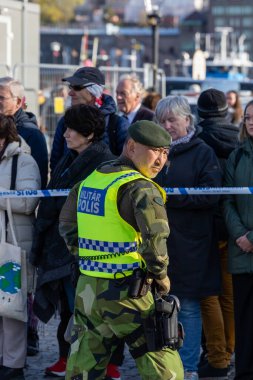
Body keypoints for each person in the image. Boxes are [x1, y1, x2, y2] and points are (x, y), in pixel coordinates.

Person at [59, 120, 184, 380]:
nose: (160, 160)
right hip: (129, 295)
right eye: (154, 151)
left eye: (165, 153)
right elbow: (155, 238)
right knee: (165, 369)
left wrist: (86, 258)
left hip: (88, 292)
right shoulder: (141, 187)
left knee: (83, 370)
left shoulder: (92, 180)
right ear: (131, 146)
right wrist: (160, 275)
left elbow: (67, 224)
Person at [30, 104, 115, 378]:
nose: (65, 134)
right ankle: (68, 360)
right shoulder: (71, 158)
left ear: (89, 133)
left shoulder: (102, 162)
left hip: (83, 252)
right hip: (63, 249)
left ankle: (87, 365)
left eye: (71, 129)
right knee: (69, 310)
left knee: (85, 314)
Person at [155, 95, 222, 380]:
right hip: (159, 240)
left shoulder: (202, 151)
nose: (167, 126)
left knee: (189, 307)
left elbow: (210, 195)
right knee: (158, 306)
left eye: (172, 120)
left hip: (192, 241)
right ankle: (164, 365)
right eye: (162, 121)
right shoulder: (154, 150)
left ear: (187, 120)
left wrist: (168, 199)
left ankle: (190, 367)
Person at [197, 88, 238, 379]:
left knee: (207, 295)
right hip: (234, 228)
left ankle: (218, 357)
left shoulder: (199, 142)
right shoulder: (239, 140)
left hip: (207, 228)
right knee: (229, 294)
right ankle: (229, 349)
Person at [0, 114, 41, 380]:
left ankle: (13, 365)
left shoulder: (24, 161)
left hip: (11, 248)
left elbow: (28, 202)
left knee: (12, 307)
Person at [223, 100, 253, 380]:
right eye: (248, 117)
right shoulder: (237, 156)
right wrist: (241, 236)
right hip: (241, 250)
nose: (251, 122)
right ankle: (243, 371)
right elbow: (228, 199)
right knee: (242, 317)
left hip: (248, 242)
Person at [50, 66, 129, 171]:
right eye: (70, 87)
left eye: (77, 87)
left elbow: (126, 165)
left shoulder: (118, 124)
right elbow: (56, 164)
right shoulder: (65, 122)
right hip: (70, 187)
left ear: (93, 92)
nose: (70, 93)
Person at [0, 77, 48, 188]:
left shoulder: (31, 134)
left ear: (17, 102)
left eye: (1, 98)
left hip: (14, 203)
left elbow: (39, 179)